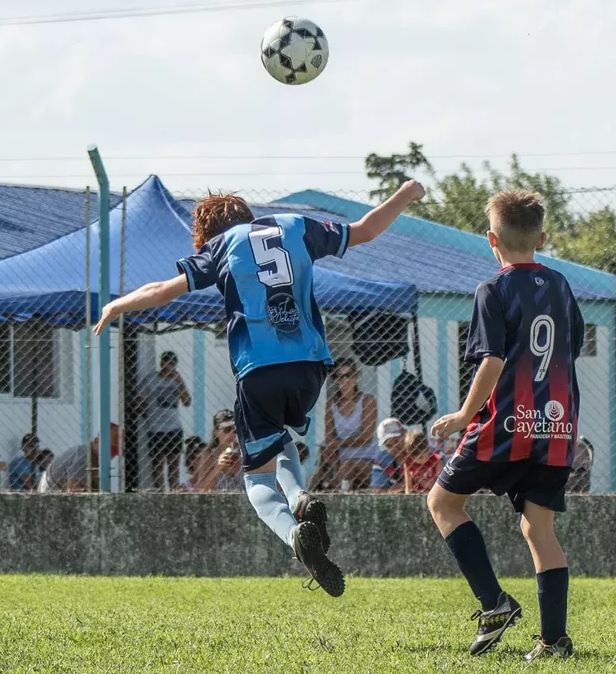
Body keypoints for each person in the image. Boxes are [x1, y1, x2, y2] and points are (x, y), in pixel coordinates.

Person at [93, 179, 426, 596]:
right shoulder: (295, 225)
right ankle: (302, 497)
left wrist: (115, 304)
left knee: (257, 482)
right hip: (310, 368)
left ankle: (293, 536)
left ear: (205, 234)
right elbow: (367, 229)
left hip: (259, 370)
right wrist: (408, 191)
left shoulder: (221, 246)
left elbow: (162, 292)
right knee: (276, 438)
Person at [429, 189, 583, 661]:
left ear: (490, 240)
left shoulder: (492, 290)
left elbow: (491, 362)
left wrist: (463, 416)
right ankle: (554, 640)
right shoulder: (560, 285)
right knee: (539, 529)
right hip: (556, 429)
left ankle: (494, 603)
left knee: (443, 502)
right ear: (543, 236)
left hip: (506, 424)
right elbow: (569, 348)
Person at [321, 358, 377, 491]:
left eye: (349, 375)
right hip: (340, 460)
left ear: (356, 377)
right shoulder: (331, 405)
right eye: (339, 377)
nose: (345, 380)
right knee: (320, 470)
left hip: (366, 459)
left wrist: (338, 443)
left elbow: (366, 438)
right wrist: (333, 446)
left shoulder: (367, 401)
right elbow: (329, 438)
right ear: (334, 380)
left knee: (347, 465)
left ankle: (338, 495)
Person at [138, 351, 191, 491]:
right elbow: (139, 401)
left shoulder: (177, 379)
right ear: (162, 364)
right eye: (167, 363)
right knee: (158, 464)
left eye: (173, 364)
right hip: (156, 428)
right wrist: (148, 416)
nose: (170, 367)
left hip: (174, 428)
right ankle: (160, 493)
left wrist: (179, 383)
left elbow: (187, 401)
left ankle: (173, 492)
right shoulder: (151, 379)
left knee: (173, 465)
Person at [40, 425, 120, 493]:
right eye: (108, 450)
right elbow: (74, 491)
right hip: (51, 493)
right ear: (96, 441)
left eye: (113, 453)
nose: (110, 456)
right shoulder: (83, 457)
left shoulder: (97, 457)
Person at [370, 418, 408, 493]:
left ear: (405, 435)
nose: (395, 447)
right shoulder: (382, 460)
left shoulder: (420, 451)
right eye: (389, 445)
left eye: (396, 441)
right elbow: (377, 490)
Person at [402, 430, 443, 495]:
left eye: (422, 456)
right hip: (418, 493)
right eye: (419, 458)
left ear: (428, 449)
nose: (423, 460)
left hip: (434, 493)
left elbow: (442, 486)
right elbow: (408, 487)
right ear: (411, 456)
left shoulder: (437, 461)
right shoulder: (408, 463)